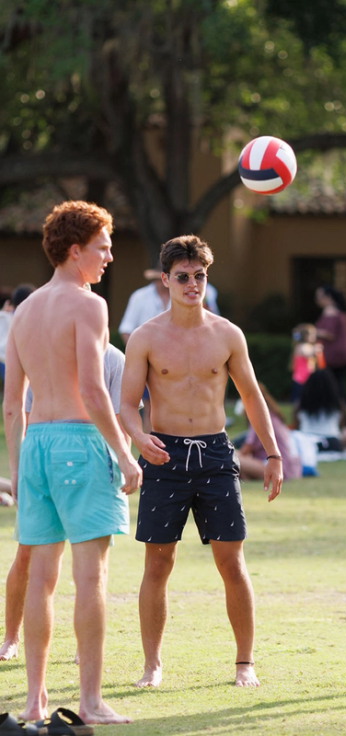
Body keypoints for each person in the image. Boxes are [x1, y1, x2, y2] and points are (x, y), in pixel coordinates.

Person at [119, 234, 283, 689]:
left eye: (200, 276)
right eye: (183, 277)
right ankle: (152, 664)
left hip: (214, 454)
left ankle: (244, 663)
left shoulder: (227, 333)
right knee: (158, 563)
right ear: (166, 282)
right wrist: (139, 438)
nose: (193, 284)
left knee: (232, 562)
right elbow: (126, 404)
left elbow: (251, 396)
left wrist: (272, 453)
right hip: (165, 454)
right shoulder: (146, 337)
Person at [2, 200, 142, 725]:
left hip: (35, 447)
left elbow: (12, 405)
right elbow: (91, 387)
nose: (108, 257)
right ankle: (88, 701)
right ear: (75, 249)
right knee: (91, 577)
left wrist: (17, 468)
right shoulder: (89, 304)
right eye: (103, 247)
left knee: (40, 577)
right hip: (78, 444)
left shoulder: (24, 310)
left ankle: (35, 699)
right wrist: (125, 455)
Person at [119, 268, 219, 343]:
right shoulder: (139, 296)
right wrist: (139, 353)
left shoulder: (196, 291)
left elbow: (212, 323)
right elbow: (126, 329)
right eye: (160, 279)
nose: (163, 283)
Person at [237, 384, 302, 482]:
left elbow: (246, 449)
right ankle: (244, 476)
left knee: (230, 457)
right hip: (289, 468)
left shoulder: (259, 417)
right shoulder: (272, 416)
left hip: (278, 468)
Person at [314, 285, 346, 398]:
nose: (317, 300)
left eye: (319, 296)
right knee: (337, 384)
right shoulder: (337, 312)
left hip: (334, 356)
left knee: (333, 385)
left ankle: (338, 410)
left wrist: (311, 332)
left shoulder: (331, 312)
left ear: (328, 297)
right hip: (339, 355)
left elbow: (329, 334)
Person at [293, 368, 346, 453]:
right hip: (332, 443)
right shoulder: (339, 404)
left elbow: (296, 427)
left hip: (307, 443)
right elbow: (341, 427)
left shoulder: (300, 404)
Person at [289, 323, 323, 403]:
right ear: (305, 336)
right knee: (298, 398)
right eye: (312, 335)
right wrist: (317, 349)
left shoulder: (309, 346)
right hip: (301, 378)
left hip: (307, 377)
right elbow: (308, 353)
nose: (314, 337)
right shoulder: (301, 347)